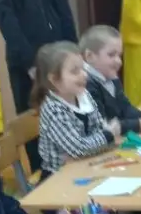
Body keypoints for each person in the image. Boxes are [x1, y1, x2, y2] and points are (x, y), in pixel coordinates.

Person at [34, 42, 119, 177]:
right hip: (58, 176)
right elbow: (79, 148)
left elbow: (97, 128)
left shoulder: (83, 95)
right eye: (75, 71)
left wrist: (100, 138)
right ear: (54, 80)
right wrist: (108, 135)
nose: (84, 75)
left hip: (86, 163)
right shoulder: (53, 110)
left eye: (83, 68)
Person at [80, 25, 141, 133]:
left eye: (119, 55)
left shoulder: (110, 77)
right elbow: (102, 125)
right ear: (89, 56)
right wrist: (140, 124)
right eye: (111, 55)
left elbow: (125, 108)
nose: (118, 61)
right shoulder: (86, 84)